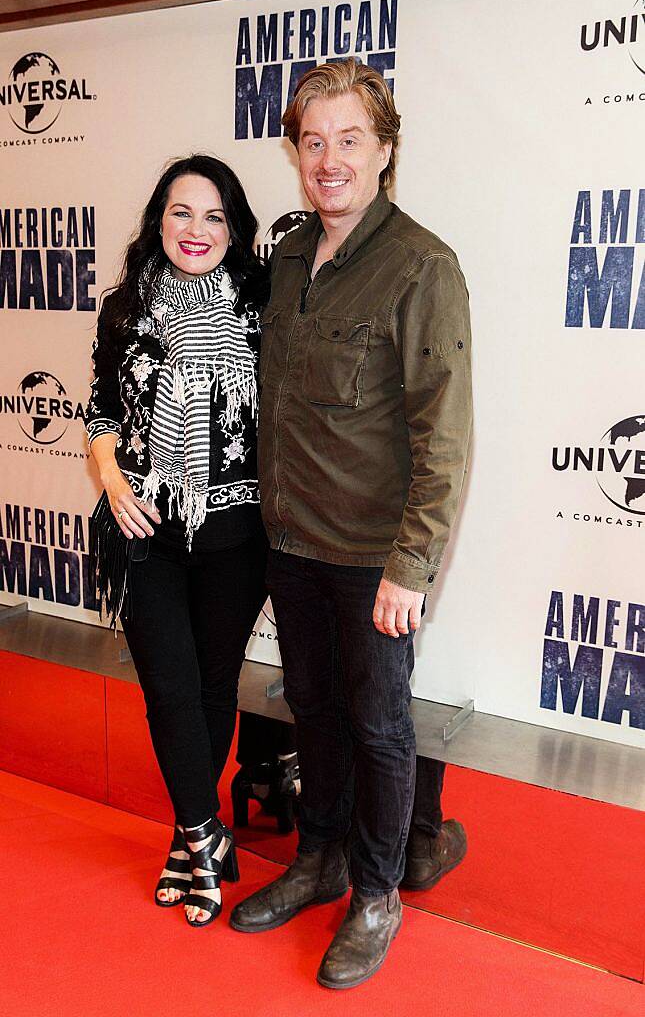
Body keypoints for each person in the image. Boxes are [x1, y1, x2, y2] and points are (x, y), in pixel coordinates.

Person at [230, 60, 472, 989]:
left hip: (375, 559)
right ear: (296, 151)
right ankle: (318, 857)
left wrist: (411, 567)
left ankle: (376, 892)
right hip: (290, 541)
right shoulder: (290, 257)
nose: (328, 160)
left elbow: (442, 435)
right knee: (316, 713)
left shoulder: (422, 266)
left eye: (349, 141)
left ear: (384, 151)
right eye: (312, 141)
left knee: (377, 726)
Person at [86, 154, 269, 927]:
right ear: (157, 220)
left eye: (214, 216)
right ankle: (205, 833)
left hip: (240, 535)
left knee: (211, 688)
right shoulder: (122, 308)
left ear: (235, 229)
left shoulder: (264, 303)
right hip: (145, 529)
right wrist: (111, 477)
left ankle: (185, 840)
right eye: (181, 213)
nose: (197, 230)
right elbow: (99, 410)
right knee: (167, 689)